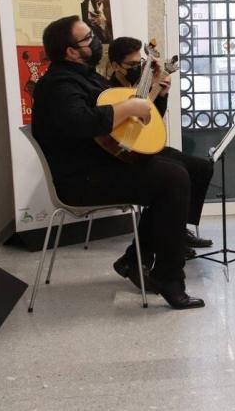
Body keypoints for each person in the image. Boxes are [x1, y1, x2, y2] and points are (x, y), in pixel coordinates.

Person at [31, 16, 204, 309]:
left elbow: (132, 123)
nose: (97, 40)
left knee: (182, 169)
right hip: (81, 179)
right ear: (71, 51)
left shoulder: (87, 76)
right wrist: (128, 106)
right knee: (172, 178)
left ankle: (137, 259)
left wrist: (157, 93)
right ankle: (168, 276)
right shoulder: (58, 84)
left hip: (102, 164)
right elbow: (83, 122)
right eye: (88, 38)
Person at [107, 36, 214, 262]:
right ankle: (172, 237)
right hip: (128, 153)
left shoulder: (143, 83)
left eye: (140, 63)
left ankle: (180, 229)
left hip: (148, 146)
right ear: (115, 65)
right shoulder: (108, 92)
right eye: (131, 64)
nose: (137, 68)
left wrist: (161, 94)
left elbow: (152, 118)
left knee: (202, 168)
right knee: (177, 174)